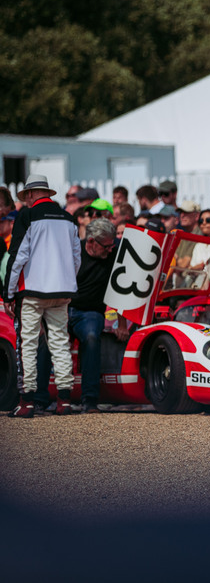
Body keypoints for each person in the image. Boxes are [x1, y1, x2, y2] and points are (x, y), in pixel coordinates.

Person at [4, 174, 81, 417]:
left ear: (29, 194)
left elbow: (17, 257)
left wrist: (8, 293)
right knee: (59, 342)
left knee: (28, 343)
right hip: (62, 289)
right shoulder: (69, 219)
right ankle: (65, 399)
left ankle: (26, 402)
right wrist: (66, 278)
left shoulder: (27, 216)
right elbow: (76, 259)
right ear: (46, 193)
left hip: (33, 290)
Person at [35, 218, 129, 413]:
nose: (110, 250)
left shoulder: (113, 255)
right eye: (107, 246)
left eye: (113, 245)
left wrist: (122, 324)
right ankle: (39, 398)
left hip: (90, 312)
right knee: (44, 340)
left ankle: (90, 399)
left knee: (92, 338)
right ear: (91, 242)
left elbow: (121, 290)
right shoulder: (70, 252)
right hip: (61, 308)